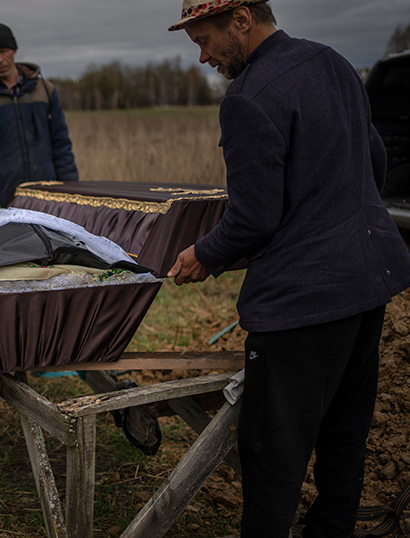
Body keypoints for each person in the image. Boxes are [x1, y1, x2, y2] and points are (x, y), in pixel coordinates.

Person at [165, 2, 410, 536]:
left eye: (205, 40)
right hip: (369, 285)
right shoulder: (334, 63)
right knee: (345, 433)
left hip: (304, 304)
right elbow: (374, 161)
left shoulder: (249, 97)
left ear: (242, 20)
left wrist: (204, 254)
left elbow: (253, 218)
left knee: (274, 451)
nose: (203, 56)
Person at [0, 22, 79, 209]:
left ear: (14, 50)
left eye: (3, 51)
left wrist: (71, 193)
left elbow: (61, 145)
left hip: (50, 201)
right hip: (4, 205)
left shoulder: (45, 90)